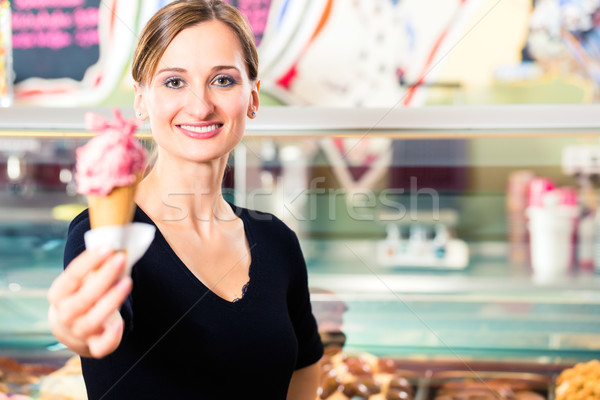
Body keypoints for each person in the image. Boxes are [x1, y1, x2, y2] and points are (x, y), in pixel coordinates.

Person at [47, 1, 324, 399]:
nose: (200, 106)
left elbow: (305, 365)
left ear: (253, 97)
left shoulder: (278, 241)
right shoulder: (104, 231)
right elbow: (94, 327)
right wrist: (74, 326)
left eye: (223, 81)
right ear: (141, 99)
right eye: (174, 82)